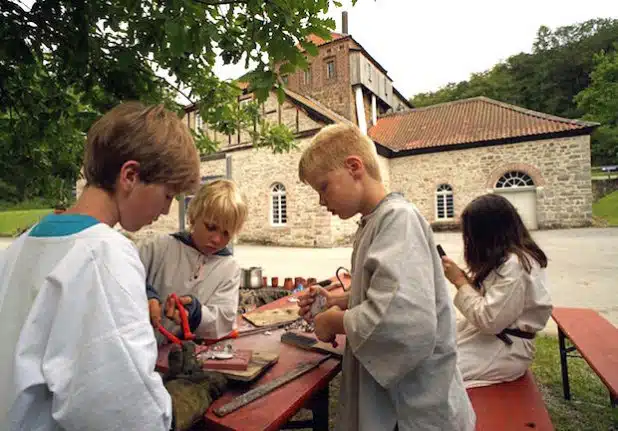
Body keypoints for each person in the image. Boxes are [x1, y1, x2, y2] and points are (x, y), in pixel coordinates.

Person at [0, 102, 201, 430]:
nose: (166, 212)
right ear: (130, 176)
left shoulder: (19, 247)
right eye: (167, 195)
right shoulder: (104, 253)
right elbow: (121, 408)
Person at [296, 123, 475, 431]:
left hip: (411, 406)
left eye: (323, 187)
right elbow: (383, 292)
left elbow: (403, 319)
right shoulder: (374, 221)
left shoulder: (398, 220)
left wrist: (332, 321)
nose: (322, 202)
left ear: (354, 167)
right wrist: (337, 300)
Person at [441, 194, 552, 388]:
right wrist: (469, 283)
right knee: (432, 357)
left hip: (506, 349)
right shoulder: (509, 260)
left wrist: (459, 282)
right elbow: (497, 302)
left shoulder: (515, 266)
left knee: (436, 375)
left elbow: (490, 320)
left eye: (470, 234)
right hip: (495, 340)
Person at [139, 179, 247, 341]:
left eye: (226, 233)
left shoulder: (229, 268)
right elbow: (121, 275)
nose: (217, 239)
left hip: (179, 356)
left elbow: (223, 321)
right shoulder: (157, 247)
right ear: (193, 217)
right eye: (211, 227)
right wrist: (146, 294)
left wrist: (195, 314)